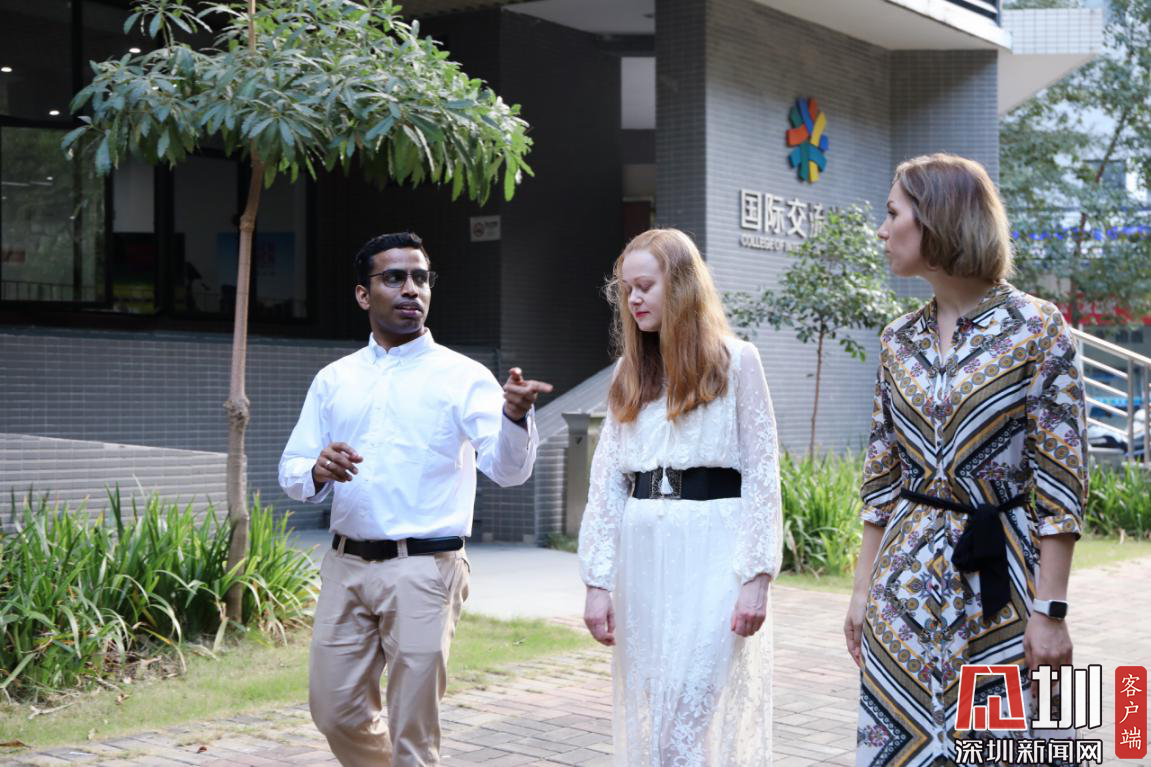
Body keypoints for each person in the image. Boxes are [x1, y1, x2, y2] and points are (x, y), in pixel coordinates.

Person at [844, 154, 1087, 765]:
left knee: (1009, 746)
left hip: (1001, 587)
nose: (882, 230)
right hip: (902, 591)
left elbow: (1061, 484)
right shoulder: (898, 338)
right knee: (903, 748)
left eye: (893, 213)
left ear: (937, 220)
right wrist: (862, 592)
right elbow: (882, 476)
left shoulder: (1038, 329)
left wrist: (1051, 611)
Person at [278, 231, 552, 767]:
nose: (411, 289)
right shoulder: (335, 379)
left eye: (421, 278)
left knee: (413, 730)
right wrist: (316, 469)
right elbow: (292, 468)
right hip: (346, 566)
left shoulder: (463, 376)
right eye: (395, 278)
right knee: (334, 711)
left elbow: (507, 470)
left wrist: (514, 417)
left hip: (426, 569)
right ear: (364, 294)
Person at [578, 228, 783, 767]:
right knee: (657, 724)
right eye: (627, 289)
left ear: (683, 286)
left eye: (645, 285)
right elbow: (606, 485)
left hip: (715, 556)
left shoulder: (738, 362)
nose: (634, 299)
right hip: (645, 558)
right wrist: (597, 583)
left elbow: (763, 474)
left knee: (682, 729)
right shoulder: (629, 373)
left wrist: (757, 576)